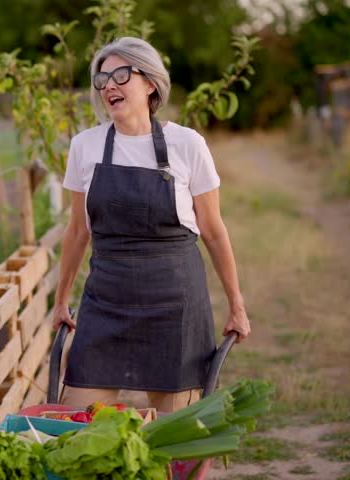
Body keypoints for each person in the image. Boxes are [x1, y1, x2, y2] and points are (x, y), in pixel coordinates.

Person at [52, 37, 250, 413]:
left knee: (172, 435)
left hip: (174, 304)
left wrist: (236, 305)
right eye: (102, 77)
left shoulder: (187, 144)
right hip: (105, 301)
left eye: (121, 74)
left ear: (150, 83)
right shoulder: (85, 146)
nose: (109, 84)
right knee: (78, 422)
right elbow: (78, 231)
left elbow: (213, 229)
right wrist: (61, 300)